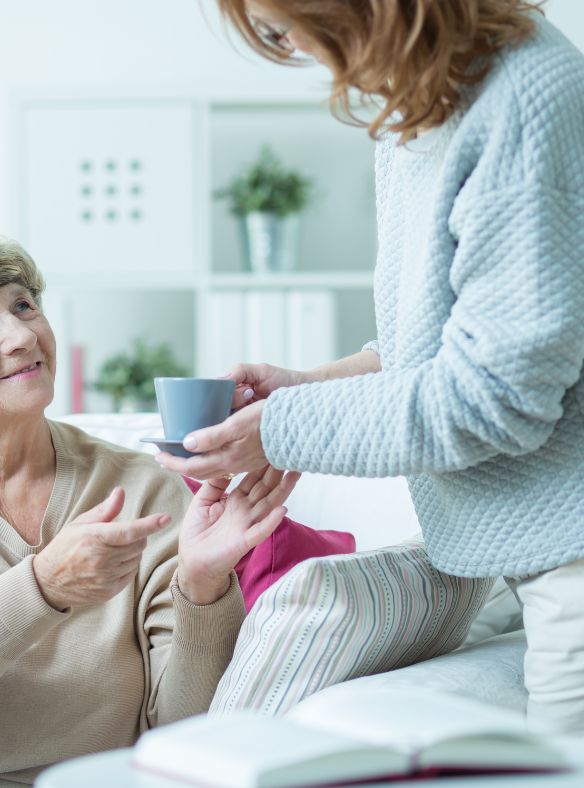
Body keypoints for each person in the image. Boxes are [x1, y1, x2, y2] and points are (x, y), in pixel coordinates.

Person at [157, 0, 584, 734]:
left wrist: (280, 429)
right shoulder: (413, 110)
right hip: (519, 549)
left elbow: (497, 395)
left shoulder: (525, 97)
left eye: (283, 24)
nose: (292, 46)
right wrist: (307, 385)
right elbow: (442, 346)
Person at [0, 232, 301, 788]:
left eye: (23, 306)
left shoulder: (141, 489)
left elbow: (178, 736)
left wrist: (204, 589)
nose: (22, 336)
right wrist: (42, 587)